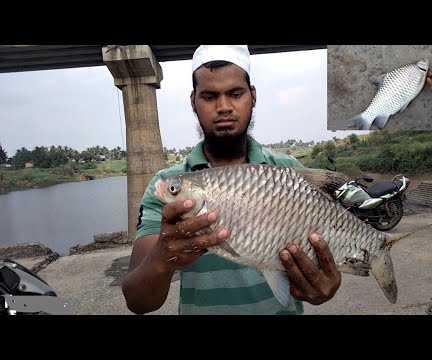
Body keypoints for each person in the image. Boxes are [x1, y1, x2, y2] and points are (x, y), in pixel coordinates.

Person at [121, 45, 341, 315]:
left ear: (253, 96)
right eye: (210, 96)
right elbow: (137, 302)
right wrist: (162, 258)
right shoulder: (167, 184)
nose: (224, 107)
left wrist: (322, 288)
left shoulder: (289, 172)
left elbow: (322, 275)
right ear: (193, 101)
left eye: (235, 94)